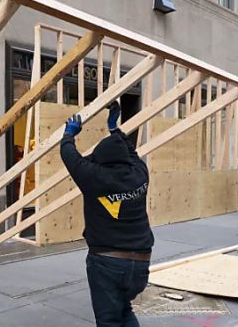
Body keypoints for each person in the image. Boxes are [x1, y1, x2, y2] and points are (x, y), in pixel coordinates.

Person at [60, 101, 152, 327]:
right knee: (124, 310)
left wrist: (69, 134)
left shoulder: (95, 177)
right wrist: (114, 128)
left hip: (108, 263)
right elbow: (131, 152)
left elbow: (69, 155)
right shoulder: (140, 173)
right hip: (140, 262)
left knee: (109, 320)